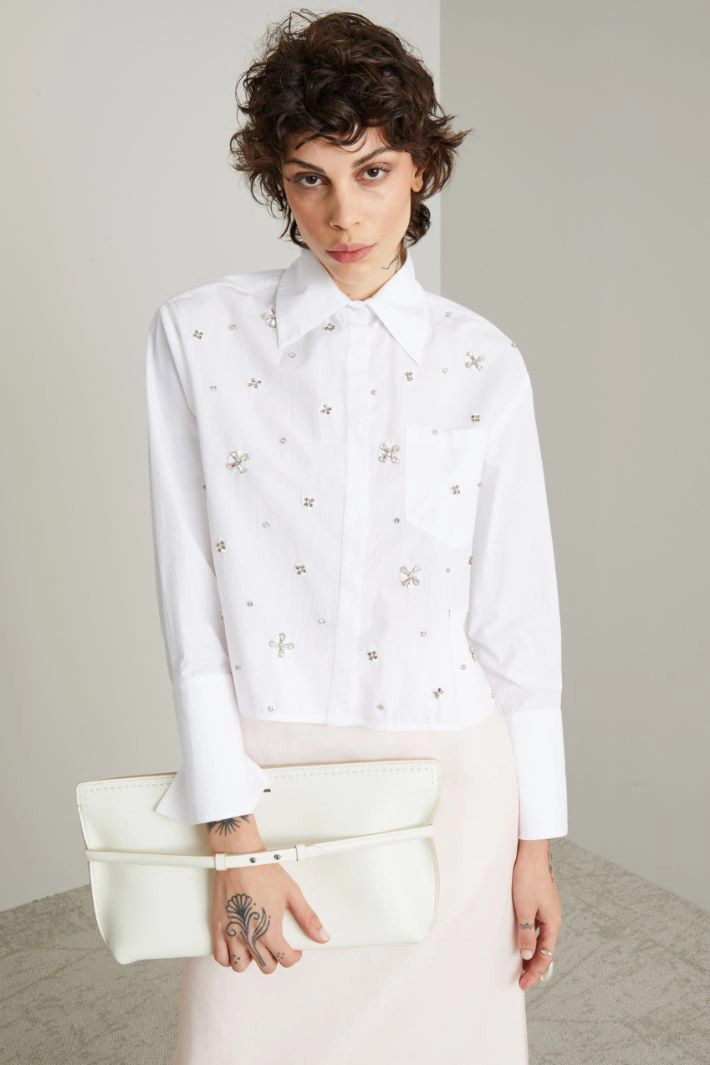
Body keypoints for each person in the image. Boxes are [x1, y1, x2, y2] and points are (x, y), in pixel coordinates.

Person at [144, 9, 568, 1064]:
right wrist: (231, 836)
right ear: (277, 184)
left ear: (420, 168)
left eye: (372, 171)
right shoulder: (198, 337)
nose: (344, 213)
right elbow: (192, 609)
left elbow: (516, 624)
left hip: (453, 793)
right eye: (310, 179)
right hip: (266, 784)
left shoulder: (484, 364)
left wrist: (535, 846)